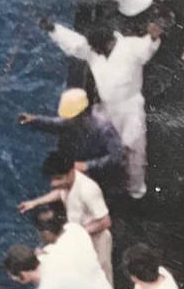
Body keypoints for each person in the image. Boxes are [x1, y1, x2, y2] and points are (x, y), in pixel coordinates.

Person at [43, 16, 162, 199]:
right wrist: (53, 29)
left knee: (133, 147)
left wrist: (152, 38)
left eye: (96, 48)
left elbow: (147, 48)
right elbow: (75, 44)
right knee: (98, 141)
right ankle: (96, 180)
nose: (93, 52)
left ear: (108, 42)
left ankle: (136, 186)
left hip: (130, 109)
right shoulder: (94, 51)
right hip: (107, 108)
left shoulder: (130, 47)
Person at [20, 150, 113, 280]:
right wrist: (35, 202)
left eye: (58, 179)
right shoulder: (66, 185)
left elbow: (105, 221)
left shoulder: (88, 190)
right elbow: (60, 192)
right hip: (79, 237)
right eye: (52, 179)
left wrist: (76, 234)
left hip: (97, 240)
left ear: (71, 172)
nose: (54, 184)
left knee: (101, 278)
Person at [18, 86, 124, 182]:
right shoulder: (78, 119)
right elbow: (57, 123)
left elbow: (117, 155)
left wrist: (88, 165)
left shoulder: (104, 127)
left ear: (82, 113)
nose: (68, 120)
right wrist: (35, 120)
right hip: (87, 149)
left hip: (100, 162)